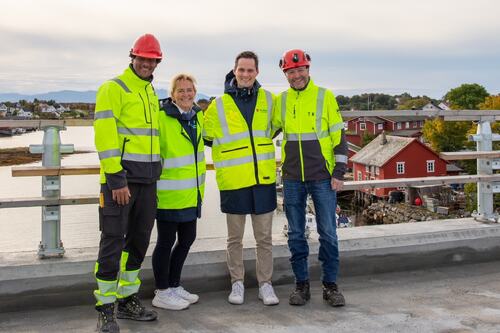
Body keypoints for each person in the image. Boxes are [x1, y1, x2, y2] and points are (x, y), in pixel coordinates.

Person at [93, 33, 162, 333]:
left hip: (147, 182)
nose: (147, 64)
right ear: (132, 57)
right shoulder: (113, 88)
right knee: (112, 242)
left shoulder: (150, 92)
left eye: (152, 60)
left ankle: (127, 298)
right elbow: (106, 138)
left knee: (138, 241)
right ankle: (105, 308)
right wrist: (117, 180)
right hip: (120, 183)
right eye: (142, 58)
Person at [272, 49, 348, 307]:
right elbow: (263, 131)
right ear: (285, 74)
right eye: (291, 72)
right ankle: (301, 285)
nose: (296, 75)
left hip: (323, 178)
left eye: (300, 70)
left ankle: (330, 286)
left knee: (328, 233)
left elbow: (339, 138)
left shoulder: (325, 96)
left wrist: (338, 173)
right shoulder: (280, 101)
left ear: (308, 70)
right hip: (292, 178)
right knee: (295, 234)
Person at [203, 51, 279, 306]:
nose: (245, 75)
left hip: (263, 180)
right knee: (234, 239)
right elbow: (206, 138)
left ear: (257, 72)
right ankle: (237, 283)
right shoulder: (218, 105)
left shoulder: (269, 100)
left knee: (264, 239)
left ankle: (265, 285)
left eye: (250, 70)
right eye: (241, 70)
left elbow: (276, 128)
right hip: (234, 182)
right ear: (234, 71)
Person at [151, 74, 206, 310]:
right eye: (180, 90)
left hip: (191, 193)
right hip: (168, 193)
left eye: (190, 90)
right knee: (165, 242)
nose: (186, 94)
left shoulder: (197, 116)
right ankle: (161, 291)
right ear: (172, 94)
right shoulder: (162, 117)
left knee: (187, 239)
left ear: (195, 92)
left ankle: (173, 285)